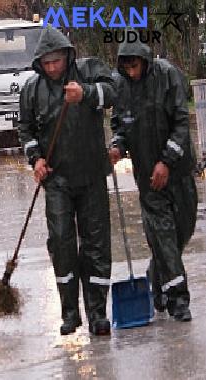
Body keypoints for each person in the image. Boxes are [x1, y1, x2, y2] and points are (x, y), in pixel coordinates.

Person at [18, 25, 116, 336]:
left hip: (91, 176)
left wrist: (86, 94)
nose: (52, 68)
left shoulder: (89, 70)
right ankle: (70, 313)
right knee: (61, 242)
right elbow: (26, 132)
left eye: (56, 61)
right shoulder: (32, 90)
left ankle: (98, 312)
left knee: (96, 243)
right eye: (46, 63)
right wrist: (36, 159)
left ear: (67, 56)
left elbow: (114, 91)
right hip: (57, 180)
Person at [109, 37, 197, 322]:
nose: (131, 72)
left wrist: (167, 161)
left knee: (182, 231)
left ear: (144, 61)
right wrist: (118, 146)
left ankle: (155, 274)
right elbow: (120, 125)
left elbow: (181, 122)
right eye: (127, 68)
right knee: (163, 234)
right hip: (148, 177)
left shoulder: (167, 75)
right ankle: (178, 299)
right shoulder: (120, 86)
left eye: (135, 66)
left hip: (179, 170)